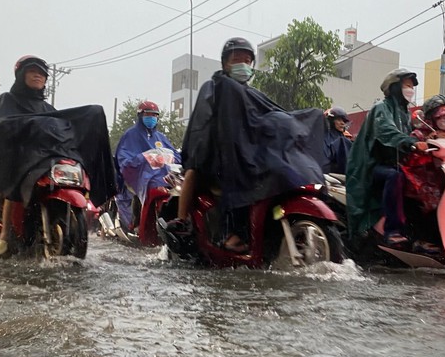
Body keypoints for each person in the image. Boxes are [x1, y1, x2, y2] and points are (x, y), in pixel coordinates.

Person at [168, 37, 325, 254]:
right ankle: (183, 220)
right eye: (237, 59)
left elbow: (270, 116)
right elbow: (202, 126)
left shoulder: (251, 93)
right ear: (225, 63)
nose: (243, 64)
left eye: (247, 60)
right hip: (214, 157)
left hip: (244, 154)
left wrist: (302, 119)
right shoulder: (214, 88)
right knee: (194, 171)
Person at [0, 55, 56, 255]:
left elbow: (58, 131)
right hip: (8, 156)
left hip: (37, 161)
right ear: (21, 74)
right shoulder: (7, 99)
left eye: (42, 74)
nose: (38, 76)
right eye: (33, 72)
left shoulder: (47, 109)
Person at [346, 68, 428, 247]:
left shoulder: (405, 112)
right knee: (395, 175)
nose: (410, 89)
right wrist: (411, 142)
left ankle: (420, 234)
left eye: (411, 86)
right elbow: (386, 132)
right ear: (395, 87)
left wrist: (428, 139)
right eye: (406, 85)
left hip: (393, 164)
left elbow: (412, 134)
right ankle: (392, 231)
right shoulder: (381, 108)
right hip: (370, 166)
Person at [115, 100, 180, 230]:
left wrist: (173, 158)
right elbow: (124, 159)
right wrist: (143, 158)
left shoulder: (160, 137)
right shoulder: (130, 135)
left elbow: (176, 155)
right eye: (148, 115)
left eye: (155, 115)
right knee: (149, 186)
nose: (152, 118)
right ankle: (136, 223)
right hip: (138, 175)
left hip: (163, 176)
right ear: (140, 116)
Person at [323, 107, 353, 175]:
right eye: (339, 120)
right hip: (330, 172)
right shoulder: (325, 136)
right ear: (331, 120)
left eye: (344, 121)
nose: (342, 123)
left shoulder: (344, 137)